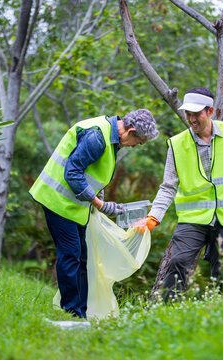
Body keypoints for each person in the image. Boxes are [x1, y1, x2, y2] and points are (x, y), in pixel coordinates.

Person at [29, 109, 158, 318]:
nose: (135, 147)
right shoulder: (97, 136)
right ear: (131, 131)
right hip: (57, 201)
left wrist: (101, 196)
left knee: (81, 259)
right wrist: (99, 204)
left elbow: (93, 171)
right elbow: (72, 173)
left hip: (74, 207)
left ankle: (80, 314)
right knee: (70, 256)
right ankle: (71, 314)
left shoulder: (112, 138)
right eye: (138, 142)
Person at [137, 87, 223, 300]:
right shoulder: (177, 144)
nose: (191, 119)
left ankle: (219, 312)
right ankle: (168, 311)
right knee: (178, 262)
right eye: (188, 114)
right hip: (192, 219)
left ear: (210, 111)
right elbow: (168, 186)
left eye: (196, 114)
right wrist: (153, 217)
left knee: (222, 273)